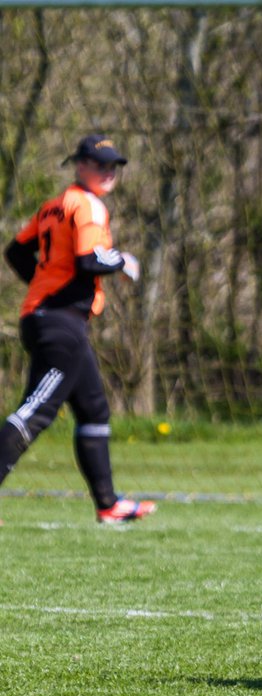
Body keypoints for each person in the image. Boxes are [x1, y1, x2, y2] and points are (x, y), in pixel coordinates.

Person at [0, 134, 156, 525]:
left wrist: (44, 281)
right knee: (36, 411)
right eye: (99, 164)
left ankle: (108, 505)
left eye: (113, 166)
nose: (108, 172)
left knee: (94, 410)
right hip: (59, 322)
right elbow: (89, 260)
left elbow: (16, 251)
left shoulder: (55, 206)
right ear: (79, 164)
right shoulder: (88, 205)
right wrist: (123, 261)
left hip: (50, 317)